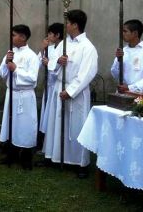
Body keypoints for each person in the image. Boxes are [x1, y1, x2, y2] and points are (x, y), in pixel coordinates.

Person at [43, 9, 98, 178]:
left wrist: (71, 91)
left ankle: (79, 163)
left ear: (75, 25)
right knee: (57, 123)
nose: (65, 26)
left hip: (76, 93)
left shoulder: (88, 47)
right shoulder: (63, 44)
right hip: (60, 87)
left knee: (76, 126)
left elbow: (87, 73)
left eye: (68, 23)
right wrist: (58, 62)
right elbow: (51, 65)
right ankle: (56, 156)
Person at [0, 24, 40, 170]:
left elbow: (33, 78)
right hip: (12, 94)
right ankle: (12, 153)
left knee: (25, 126)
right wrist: (6, 62)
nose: (12, 37)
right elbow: (1, 72)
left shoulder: (32, 56)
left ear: (22, 37)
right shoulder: (11, 53)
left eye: (14, 34)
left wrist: (16, 70)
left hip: (25, 96)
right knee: (12, 125)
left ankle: (27, 156)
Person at [110, 19, 143, 93]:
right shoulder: (123, 51)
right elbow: (115, 75)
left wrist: (130, 88)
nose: (122, 34)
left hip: (139, 96)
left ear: (135, 33)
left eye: (125, 31)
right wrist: (118, 61)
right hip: (121, 94)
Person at [37, 22, 64, 148]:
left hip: (55, 87)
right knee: (45, 114)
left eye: (50, 34)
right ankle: (43, 139)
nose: (47, 36)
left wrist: (49, 64)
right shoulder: (50, 48)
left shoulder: (62, 49)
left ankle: (51, 141)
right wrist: (43, 49)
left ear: (57, 35)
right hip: (48, 87)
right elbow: (38, 63)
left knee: (52, 115)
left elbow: (56, 70)